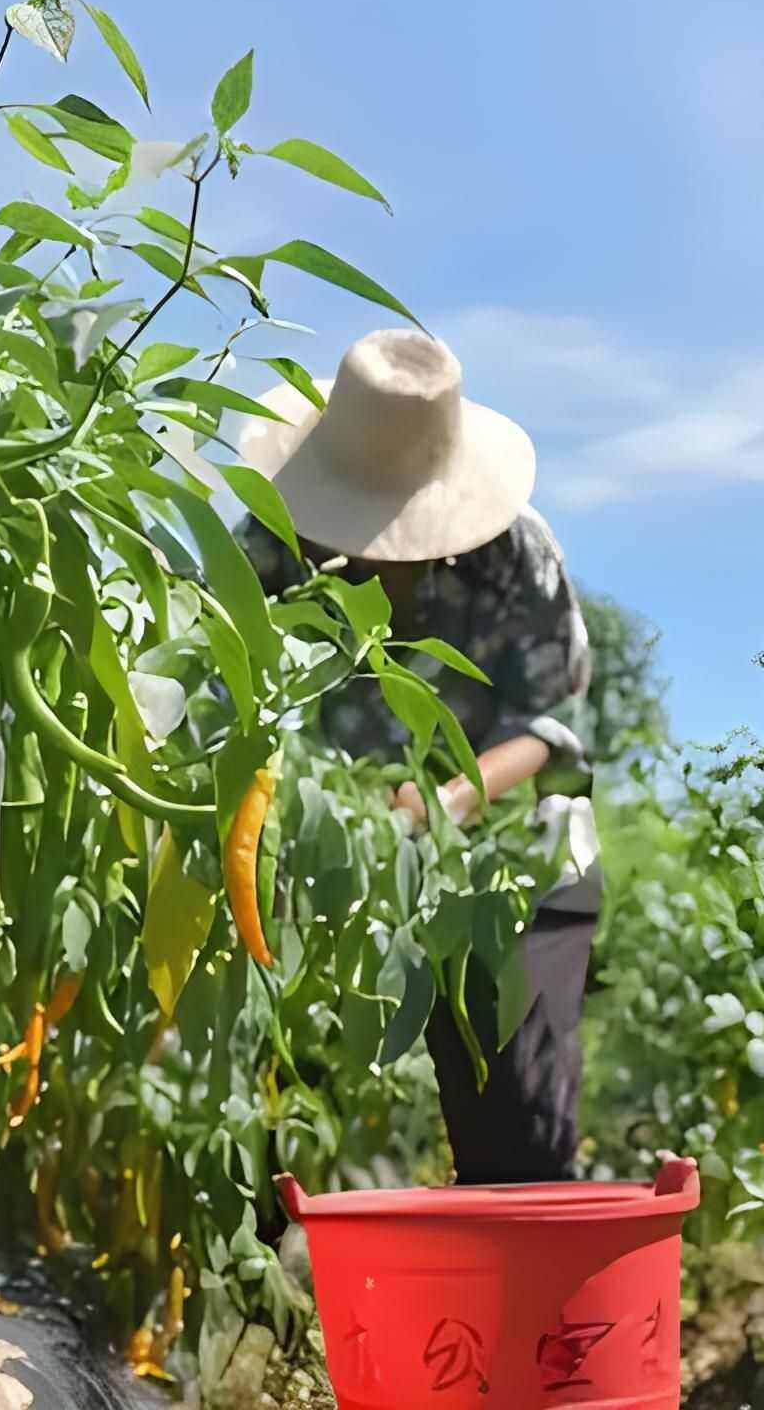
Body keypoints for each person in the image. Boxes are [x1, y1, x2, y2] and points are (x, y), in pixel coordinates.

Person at [231, 328, 601, 1185]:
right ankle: (264, 1262)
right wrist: (318, 819)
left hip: (499, 832)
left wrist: (436, 807)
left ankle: (525, 1249)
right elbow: (234, 687)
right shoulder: (272, 544)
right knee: (265, 1063)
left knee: (516, 1079)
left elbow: (548, 724)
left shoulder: (515, 555)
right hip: (311, 828)